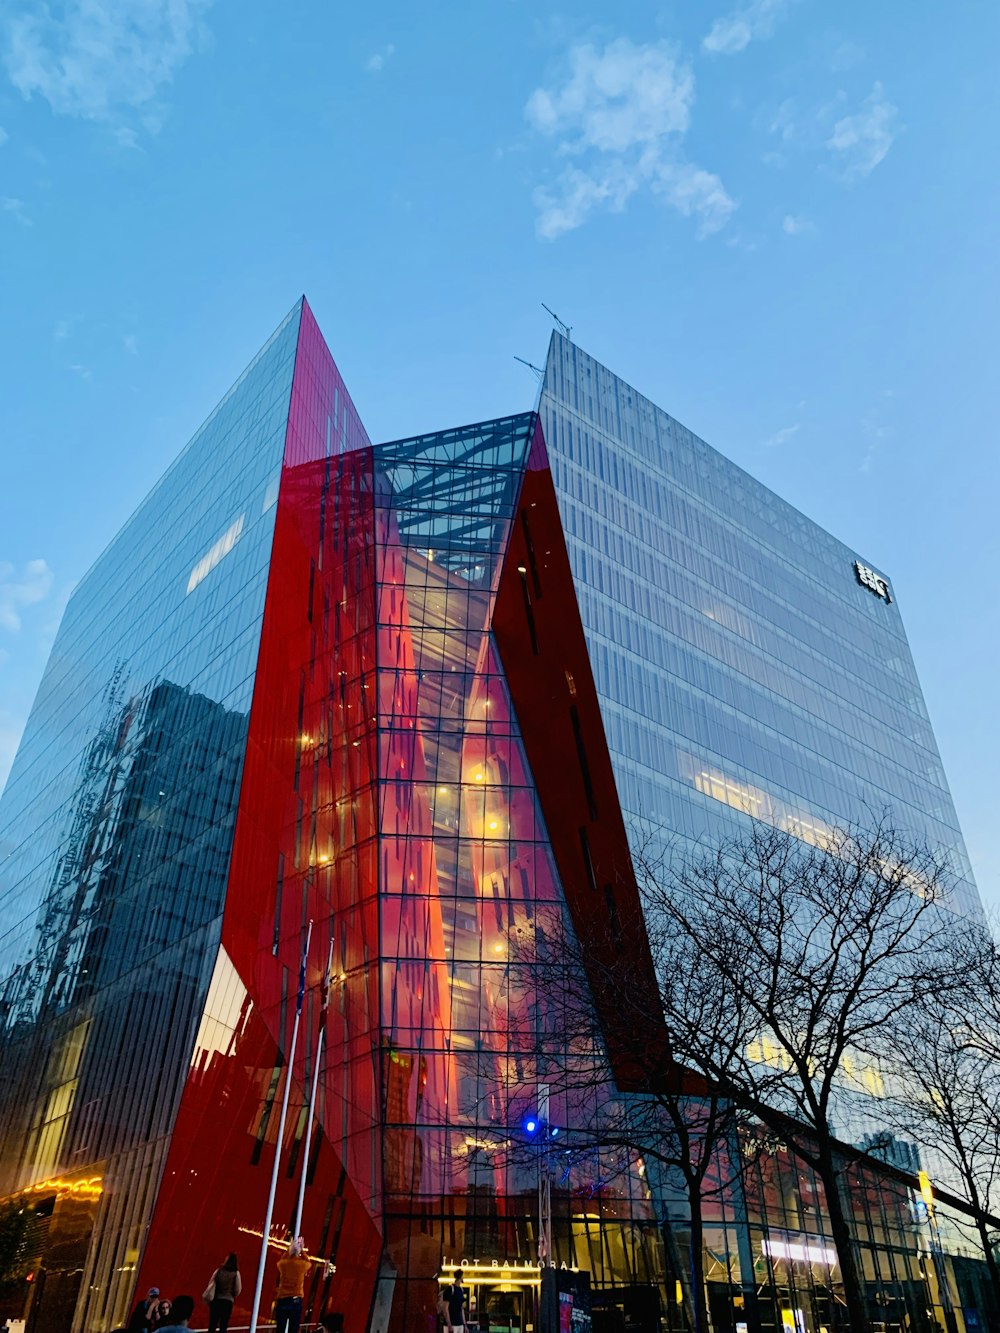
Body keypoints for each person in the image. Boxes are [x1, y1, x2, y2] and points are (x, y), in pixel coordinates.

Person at [274, 1237, 311, 1333]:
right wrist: (302, 1250)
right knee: (293, 1328)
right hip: (296, 1299)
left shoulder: (283, 1264)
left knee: (280, 1328)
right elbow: (309, 1263)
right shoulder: (302, 1264)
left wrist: (288, 1250)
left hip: (282, 1298)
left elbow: (280, 1261)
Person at [203, 1252, 242, 1333]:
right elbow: (237, 1289)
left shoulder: (218, 1271)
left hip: (216, 1300)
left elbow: (211, 1283)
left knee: (212, 1324)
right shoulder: (236, 1273)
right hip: (228, 1302)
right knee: (223, 1325)